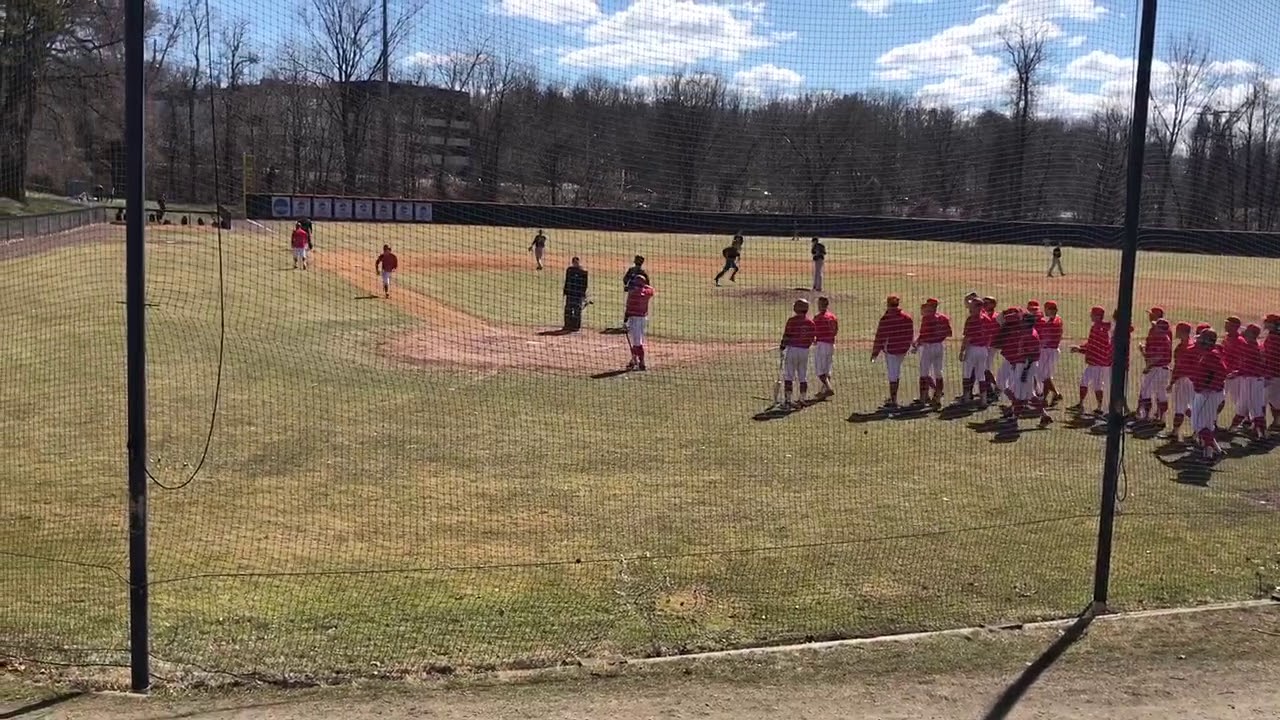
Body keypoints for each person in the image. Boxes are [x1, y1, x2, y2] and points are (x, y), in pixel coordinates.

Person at [1003, 309, 1054, 427]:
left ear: (1027, 323)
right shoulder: (1027, 332)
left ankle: (1015, 418)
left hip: (1026, 366)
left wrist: (1025, 371)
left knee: (1020, 394)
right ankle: (1044, 416)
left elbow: (1031, 356)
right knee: (1029, 394)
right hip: (1024, 365)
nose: (1021, 321)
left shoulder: (1031, 335)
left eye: (1023, 320)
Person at [1189, 328, 1228, 460]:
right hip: (1209, 393)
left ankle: (1209, 455)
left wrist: (1210, 387)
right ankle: (1215, 452)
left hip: (1209, 394)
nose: (1199, 341)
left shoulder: (1212, 355)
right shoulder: (1209, 353)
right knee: (1206, 425)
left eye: (1201, 338)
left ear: (1207, 341)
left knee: (1198, 424)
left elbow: (1222, 371)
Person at [871, 295, 914, 409]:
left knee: (892, 375)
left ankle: (893, 401)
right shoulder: (907, 317)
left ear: (888, 304)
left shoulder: (886, 319)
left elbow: (880, 336)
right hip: (903, 349)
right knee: (896, 373)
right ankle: (893, 398)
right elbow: (910, 334)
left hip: (891, 350)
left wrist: (875, 352)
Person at [1070, 306, 1111, 415]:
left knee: (1097, 385)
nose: (1090, 316)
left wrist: (1080, 349)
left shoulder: (1098, 329)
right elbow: (1091, 344)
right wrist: (1080, 347)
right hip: (1096, 362)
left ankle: (1099, 407)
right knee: (1085, 381)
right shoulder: (1102, 327)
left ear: (1097, 316)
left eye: (1092, 314)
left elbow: (1093, 346)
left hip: (1098, 363)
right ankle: (1081, 404)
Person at [912, 298, 952, 407]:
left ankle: (923, 398)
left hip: (928, 347)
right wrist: (939, 335)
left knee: (924, 373)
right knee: (938, 373)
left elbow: (924, 335)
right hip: (939, 346)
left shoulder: (927, 318)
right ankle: (937, 397)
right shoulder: (944, 318)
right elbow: (949, 333)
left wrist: (916, 345)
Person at [778, 298, 817, 408]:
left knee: (789, 375)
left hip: (793, 350)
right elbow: (812, 338)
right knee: (803, 376)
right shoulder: (811, 322)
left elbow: (787, 335)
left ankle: (788, 400)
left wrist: (782, 346)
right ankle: (802, 399)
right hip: (804, 351)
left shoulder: (792, 321)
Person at [1136, 316, 1173, 424]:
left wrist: (1148, 366)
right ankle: (1161, 418)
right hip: (1163, 369)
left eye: (1156, 326)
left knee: (1146, 391)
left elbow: (1158, 357)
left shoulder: (1162, 339)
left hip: (1157, 369)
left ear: (1160, 328)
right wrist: (1143, 351)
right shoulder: (1164, 338)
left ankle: (1146, 416)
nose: (1154, 327)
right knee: (1161, 393)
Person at [1164, 322, 1196, 442]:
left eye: (1178, 330)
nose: (1176, 332)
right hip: (1193, 381)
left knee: (1180, 408)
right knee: (1188, 407)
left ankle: (1176, 432)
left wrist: (1171, 383)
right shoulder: (1193, 345)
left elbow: (1178, 368)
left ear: (1183, 332)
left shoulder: (1183, 348)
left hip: (1183, 380)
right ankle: (1198, 430)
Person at [959, 296, 991, 404]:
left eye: (972, 305)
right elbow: (990, 336)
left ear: (977, 307)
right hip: (984, 350)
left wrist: (962, 351)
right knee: (981, 375)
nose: (970, 307)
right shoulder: (987, 318)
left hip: (972, 349)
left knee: (967, 374)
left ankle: (967, 397)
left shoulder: (971, 319)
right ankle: (984, 399)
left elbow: (967, 337)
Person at [1239, 323, 1268, 439]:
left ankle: (1262, 433)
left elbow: (1248, 366)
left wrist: (1237, 373)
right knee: (1255, 406)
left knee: (1255, 407)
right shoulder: (1257, 345)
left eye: (1247, 331)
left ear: (1252, 334)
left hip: (1254, 379)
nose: (1245, 332)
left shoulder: (1251, 347)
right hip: (1256, 378)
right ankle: (1258, 431)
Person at [1221, 316, 1249, 431]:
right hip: (1225, 373)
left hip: (1235, 376)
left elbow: (1243, 358)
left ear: (1234, 326)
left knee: (1238, 400)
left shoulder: (1240, 341)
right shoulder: (1227, 337)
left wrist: (1237, 372)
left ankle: (1247, 420)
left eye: (1227, 324)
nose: (1225, 325)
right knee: (1221, 398)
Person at [623, 274, 655, 371]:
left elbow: (628, 307)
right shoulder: (647, 292)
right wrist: (642, 285)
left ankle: (641, 362)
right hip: (643, 318)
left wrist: (625, 320)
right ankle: (633, 360)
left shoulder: (634, 294)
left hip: (634, 319)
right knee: (636, 340)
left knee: (637, 342)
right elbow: (650, 289)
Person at [1036, 300, 1064, 405]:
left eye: (1047, 309)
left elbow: (1044, 337)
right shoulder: (1057, 319)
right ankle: (1046, 397)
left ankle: (1055, 394)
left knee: (1043, 376)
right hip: (1049, 351)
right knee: (1045, 375)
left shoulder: (1053, 322)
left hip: (1049, 351)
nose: (1046, 311)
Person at [812, 296, 838, 398]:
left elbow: (813, 332)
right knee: (827, 369)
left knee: (819, 370)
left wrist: (814, 339)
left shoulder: (818, 318)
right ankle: (824, 392)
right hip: (831, 344)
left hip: (821, 345)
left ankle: (828, 387)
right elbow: (835, 331)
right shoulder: (833, 317)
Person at [562, 257, 589, 331]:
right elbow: (567, 281)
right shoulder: (569, 270)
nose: (575, 263)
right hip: (570, 293)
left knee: (577, 309)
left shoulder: (583, 272)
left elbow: (585, 284)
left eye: (576, 262)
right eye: (574, 262)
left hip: (578, 294)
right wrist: (565, 291)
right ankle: (568, 324)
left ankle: (576, 325)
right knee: (568, 309)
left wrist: (583, 294)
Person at [622, 255, 649, 328]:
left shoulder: (631, 270)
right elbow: (647, 283)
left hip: (632, 292)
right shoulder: (642, 272)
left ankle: (625, 323)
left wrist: (628, 286)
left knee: (629, 307)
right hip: (640, 294)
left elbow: (625, 280)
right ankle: (640, 322)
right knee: (640, 307)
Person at [1265, 314, 1280, 429]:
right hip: (1271, 373)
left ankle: (1277, 422)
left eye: (1268, 322)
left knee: (1274, 399)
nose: (1266, 323)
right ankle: (1276, 422)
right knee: (1272, 399)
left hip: (1275, 374)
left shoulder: (1276, 338)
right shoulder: (1272, 335)